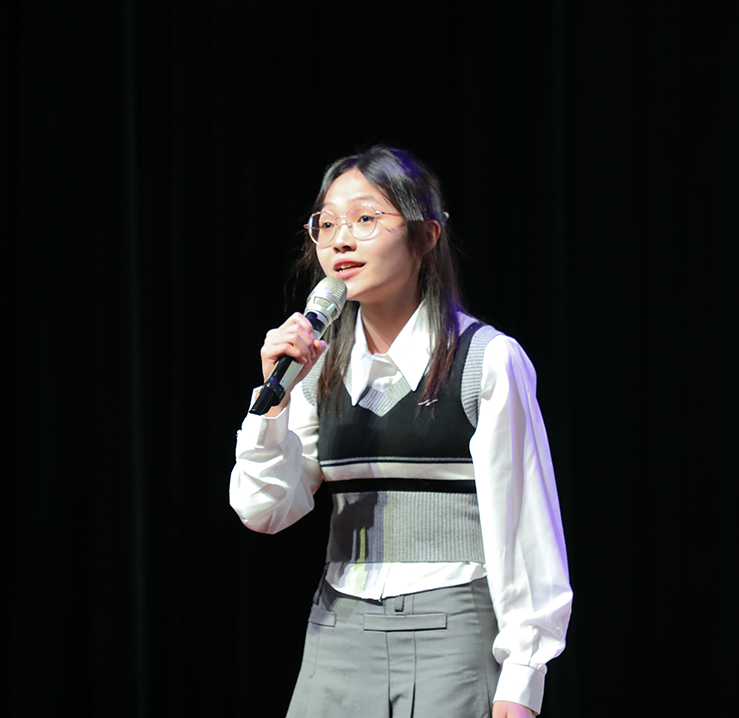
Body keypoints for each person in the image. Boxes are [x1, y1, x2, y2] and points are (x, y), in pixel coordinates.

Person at [230, 146, 571, 718]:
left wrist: (522, 679)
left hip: (453, 633)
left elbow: (526, 527)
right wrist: (273, 405)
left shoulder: (486, 360)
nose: (341, 240)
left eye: (365, 218)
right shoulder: (317, 369)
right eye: (327, 223)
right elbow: (264, 511)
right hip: (337, 632)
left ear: (425, 235)